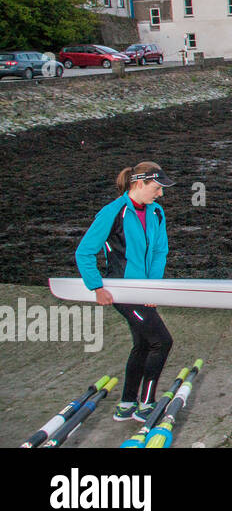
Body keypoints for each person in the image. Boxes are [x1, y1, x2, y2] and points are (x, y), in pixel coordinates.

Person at [75, 162, 175, 421]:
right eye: (157, 188)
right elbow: (84, 252)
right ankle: (146, 404)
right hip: (122, 292)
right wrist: (96, 287)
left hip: (144, 291)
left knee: (143, 344)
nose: (160, 194)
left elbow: (159, 252)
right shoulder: (113, 212)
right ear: (139, 183)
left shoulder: (156, 213)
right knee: (162, 342)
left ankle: (127, 404)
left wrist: (153, 289)